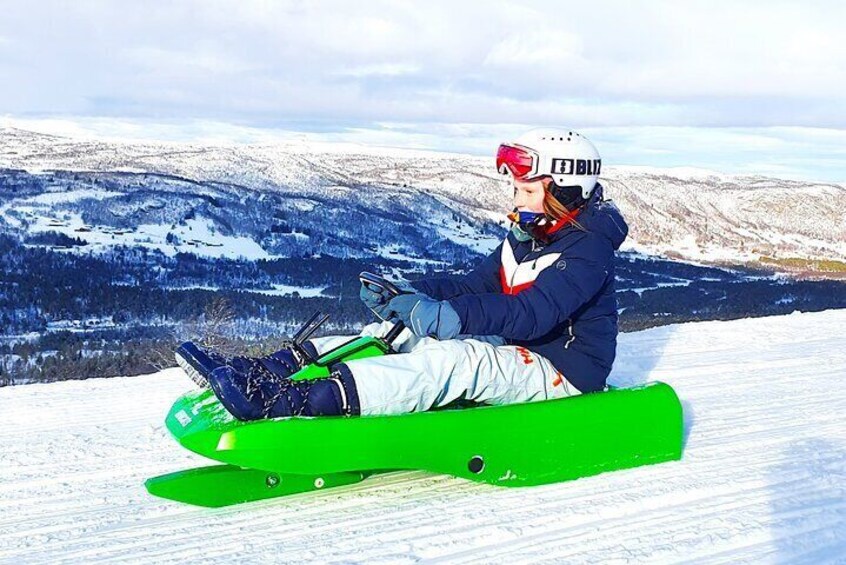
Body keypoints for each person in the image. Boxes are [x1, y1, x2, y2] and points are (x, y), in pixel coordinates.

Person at [175, 128, 628, 421]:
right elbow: (478, 285)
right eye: (515, 188)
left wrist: (447, 317)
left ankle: (293, 403)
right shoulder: (529, 235)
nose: (516, 199)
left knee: (456, 362)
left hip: (562, 371)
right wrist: (410, 296)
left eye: (527, 189)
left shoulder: (588, 249)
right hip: (518, 348)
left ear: (567, 191)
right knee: (393, 331)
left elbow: (533, 314)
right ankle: (263, 373)